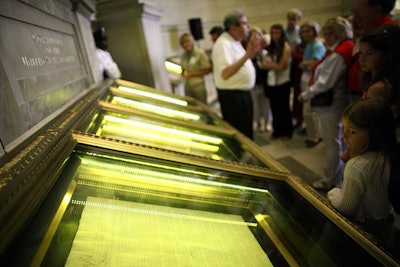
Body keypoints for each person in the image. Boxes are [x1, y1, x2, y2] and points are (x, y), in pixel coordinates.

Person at [327, 97, 397, 253]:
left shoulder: (357, 166)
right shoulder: (388, 155)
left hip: (363, 229)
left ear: (374, 133)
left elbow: (348, 207)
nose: (343, 136)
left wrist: (333, 193)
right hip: (385, 225)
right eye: (344, 128)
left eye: (352, 131)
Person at [300, 17, 354, 190]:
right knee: (337, 140)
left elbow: (325, 82)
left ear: (337, 33)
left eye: (329, 33)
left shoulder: (339, 52)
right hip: (336, 100)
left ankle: (329, 179)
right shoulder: (339, 49)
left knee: (332, 142)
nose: (326, 36)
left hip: (332, 103)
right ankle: (339, 176)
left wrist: (306, 95)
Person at [211, 10, 263, 140]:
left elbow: (239, 64)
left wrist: (252, 53)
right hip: (233, 98)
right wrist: (247, 54)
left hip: (241, 95)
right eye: (244, 24)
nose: (248, 27)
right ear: (234, 28)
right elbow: (225, 73)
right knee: (240, 136)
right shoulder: (223, 44)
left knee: (246, 134)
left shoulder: (234, 41)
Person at [347, 0, 398, 103]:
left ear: (377, 9)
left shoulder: (387, 32)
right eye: (354, 12)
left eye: (360, 11)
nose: (355, 17)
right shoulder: (366, 30)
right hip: (363, 89)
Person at [359, 24, 400, 114]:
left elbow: (370, 122)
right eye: (361, 53)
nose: (362, 59)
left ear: (388, 55)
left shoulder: (378, 88)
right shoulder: (375, 81)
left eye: (370, 53)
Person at [262, 24, 293, 140]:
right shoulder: (271, 47)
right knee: (274, 108)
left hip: (283, 82)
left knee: (284, 108)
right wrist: (272, 65)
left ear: (282, 34)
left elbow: (281, 66)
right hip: (272, 82)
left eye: (277, 33)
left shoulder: (286, 47)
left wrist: (270, 65)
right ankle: (277, 131)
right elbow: (263, 64)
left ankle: (287, 132)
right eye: (273, 33)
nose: (275, 35)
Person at [298, 20, 326, 148]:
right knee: (309, 111)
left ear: (315, 31)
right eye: (303, 31)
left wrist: (305, 63)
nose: (305, 34)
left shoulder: (317, 45)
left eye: (308, 31)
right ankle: (315, 134)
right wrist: (306, 63)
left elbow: (313, 65)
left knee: (309, 111)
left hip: (312, 80)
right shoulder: (309, 45)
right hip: (306, 79)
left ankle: (315, 137)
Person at [179, 33, 212, 104]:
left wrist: (192, 74)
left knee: (202, 106)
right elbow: (183, 68)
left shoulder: (200, 53)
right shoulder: (183, 56)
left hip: (198, 85)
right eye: (183, 43)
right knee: (190, 106)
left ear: (192, 41)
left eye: (187, 41)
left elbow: (207, 70)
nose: (186, 44)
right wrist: (183, 73)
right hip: (188, 85)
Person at [249, 27, 270, 132]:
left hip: (264, 83)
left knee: (266, 104)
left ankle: (267, 123)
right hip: (253, 84)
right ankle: (257, 123)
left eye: (257, 37)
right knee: (255, 105)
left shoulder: (265, 53)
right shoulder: (248, 53)